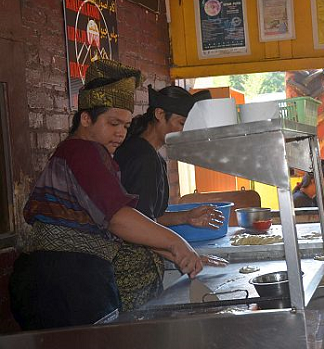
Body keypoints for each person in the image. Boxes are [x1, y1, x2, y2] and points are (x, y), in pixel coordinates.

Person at [9, 59, 204, 330]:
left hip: (67, 278)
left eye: (125, 125)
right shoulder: (83, 152)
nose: (120, 133)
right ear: (86, 118)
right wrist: (177, 243)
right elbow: (118, 218)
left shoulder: (86, 153)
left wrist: (172, 253)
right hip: (62, 283)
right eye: (113, 123)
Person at [113, 85, 227, 311]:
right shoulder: (141, 157)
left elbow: (148, 217)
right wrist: (178, 252)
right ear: (158, 114)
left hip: (143, 265)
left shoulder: (150, 154)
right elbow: (134, 227)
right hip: (129, 269)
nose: (183, 132)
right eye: (181, 124)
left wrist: (186, 217)